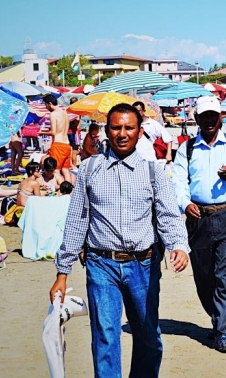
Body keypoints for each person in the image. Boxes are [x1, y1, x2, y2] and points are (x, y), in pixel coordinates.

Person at [50, 103, 190, 377]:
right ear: (107, 131)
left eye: (129, 127)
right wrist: (62, 271)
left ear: (140, 132)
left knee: (148, 335)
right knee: (105, 337)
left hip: (144, 266)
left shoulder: (154, 171)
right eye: (116, 127)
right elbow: (77, 220)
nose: (122, 133)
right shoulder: (90, 170)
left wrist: (178, 246)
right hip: (102, 265)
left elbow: (168, 215)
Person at [172, 96, 226, 353]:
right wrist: (185, 204)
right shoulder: (187, 149)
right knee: (205, 277)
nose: (208, 120)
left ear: (221, 118)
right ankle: (219, 317)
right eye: (203, 116)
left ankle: (222, 331)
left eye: (213, 116)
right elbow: (177, 182)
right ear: (196, 119)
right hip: (198, 220)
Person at [41, 94, 75, 184]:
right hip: (67, 144)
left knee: (55, 170)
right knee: (65, 170)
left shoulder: (53, 114)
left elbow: (53, 133)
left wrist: (41, 133)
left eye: (46, 105)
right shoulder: (65, 113)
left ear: (50, 103)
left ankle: (62, 190)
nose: (46, 107)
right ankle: (69, 191)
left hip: (58, 145)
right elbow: (63, 129)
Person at [68, 97, 81, 167]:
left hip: (68, 132)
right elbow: (78, 124)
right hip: (74, 132)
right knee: (74, 151)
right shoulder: (77, 111)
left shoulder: (67, 110)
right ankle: (74, 166)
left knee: (70, 150)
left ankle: (70, 165)